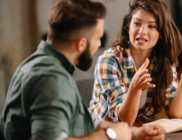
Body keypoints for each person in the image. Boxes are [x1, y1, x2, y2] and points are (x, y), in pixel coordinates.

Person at [0, 0, 166, 140]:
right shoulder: (51, 80)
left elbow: (81, 117)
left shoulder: (42, 64)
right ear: (81, 44)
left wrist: (133, 132)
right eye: (97, 38)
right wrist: (109, 135)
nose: (99, 45)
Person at [89, 0, 182, 126]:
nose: (142, 31)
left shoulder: (163, 61)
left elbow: (175, 113)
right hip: (103, 131)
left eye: (151, 26)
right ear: (128, 27)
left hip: (136, 128)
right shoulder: (109, 61)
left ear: (161, 34)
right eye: (137, 23)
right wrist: (134, 89)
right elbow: (125, 120)